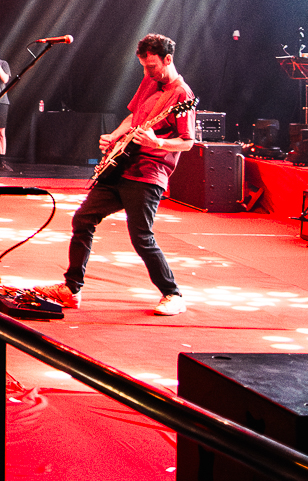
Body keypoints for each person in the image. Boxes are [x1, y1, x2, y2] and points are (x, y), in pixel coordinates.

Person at [35, 33, 196, 316]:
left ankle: (173, 294)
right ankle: (71, 289)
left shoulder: (182, 94)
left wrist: (156, 142)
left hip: (148, 173)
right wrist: (114, 136)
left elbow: (187, 141)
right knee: (83, 218)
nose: (147, 72)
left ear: (167, 59)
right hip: (121, 166)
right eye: (143, 66)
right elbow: (133, 119)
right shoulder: (149, 81)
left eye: (152, 66)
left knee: (141, 236)